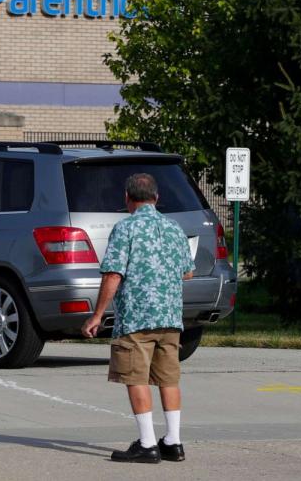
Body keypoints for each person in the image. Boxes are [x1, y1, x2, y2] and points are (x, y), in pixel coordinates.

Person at [82, 173, 194, 464]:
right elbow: (188, 271)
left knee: (136, 377)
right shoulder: (174, 228)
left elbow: (113, 274)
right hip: (170, 318)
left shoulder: (125, 228)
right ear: (157, 198)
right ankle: (173, 441)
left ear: (127, 199)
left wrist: (97, 315)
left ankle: (146, 444)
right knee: (169, 379)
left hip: (136, 319)